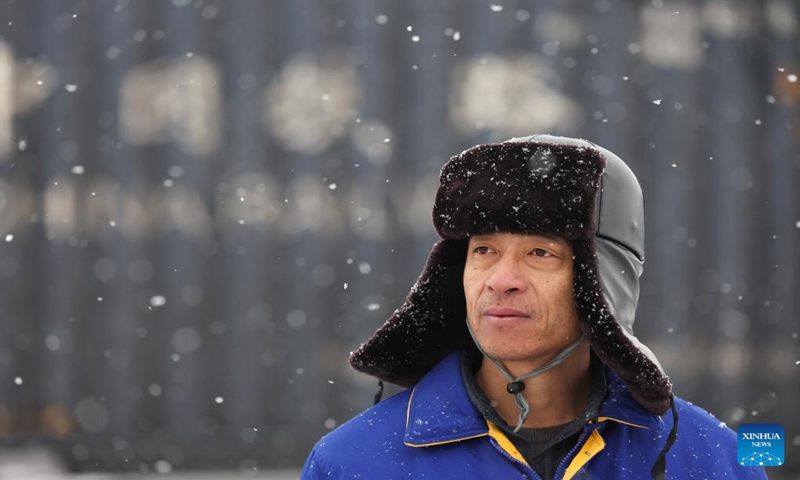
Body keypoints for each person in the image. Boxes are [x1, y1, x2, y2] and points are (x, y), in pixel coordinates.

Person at [301, 135, 768, 479]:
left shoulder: (718, 459)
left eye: (540, 253)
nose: (501, 282)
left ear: (603, 281)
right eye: (483, 251)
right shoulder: (351, 462)